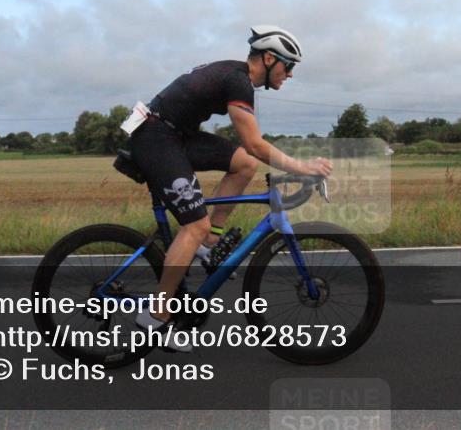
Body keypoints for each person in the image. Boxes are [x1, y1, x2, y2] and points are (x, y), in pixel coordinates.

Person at [129, 25, 332, 349]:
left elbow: (249, 154)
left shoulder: (236, 75)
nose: (290, 74)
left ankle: (208, 242)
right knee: (194, 224)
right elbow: (254, 143)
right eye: (288, 66)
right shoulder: (237, 80)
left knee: (244, 165)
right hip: (156, 138)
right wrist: (302, 166)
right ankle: (156, 317)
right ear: (268, 59)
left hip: (174, 135)